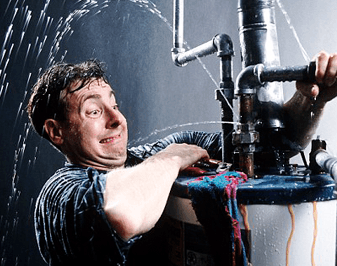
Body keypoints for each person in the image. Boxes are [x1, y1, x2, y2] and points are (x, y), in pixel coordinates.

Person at [27, 51, 337, 266]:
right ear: (56, 132)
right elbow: (124, 215)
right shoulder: (59, 193)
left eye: (115, 105)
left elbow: (270, 147)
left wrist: (311, 98)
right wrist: (172, 157)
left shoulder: (149, 157)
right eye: (94, 111)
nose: (117, 119)